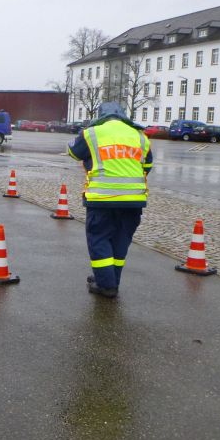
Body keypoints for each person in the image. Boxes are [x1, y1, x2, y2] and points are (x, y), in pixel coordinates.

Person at [67, 102, 154, 298]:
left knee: (99, 238)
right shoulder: (140, 136)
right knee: (120, 241)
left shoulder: (93, 133)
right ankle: (109, 279)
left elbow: (73, 152)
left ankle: (106, 285)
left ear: (100, 116)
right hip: (133, 200)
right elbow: (147, 165)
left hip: (103, 198)